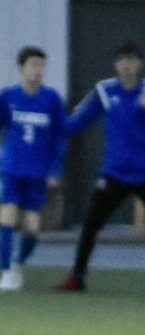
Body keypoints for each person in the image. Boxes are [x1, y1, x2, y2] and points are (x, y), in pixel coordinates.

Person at [57, 41, 145, 292]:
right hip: (115, 173)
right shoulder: (105, 91)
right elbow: (79, 121)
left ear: (140, 64)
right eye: (122, 59)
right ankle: (77, 277)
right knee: (90, 225)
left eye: (132, 60)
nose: (127, 65)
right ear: (115, 64)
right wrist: (55, 127)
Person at [0, 46, 66, 292]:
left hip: (38, 173)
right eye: (32, 65)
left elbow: (59, 138)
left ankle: (17, 263)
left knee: (32, 228)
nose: (37, 70)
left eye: (41, 65)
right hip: (11, 168)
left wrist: (54, 170)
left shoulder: (51, 99)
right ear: (21, 67)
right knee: (6, 217)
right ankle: (6, 271)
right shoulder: (8, 96)